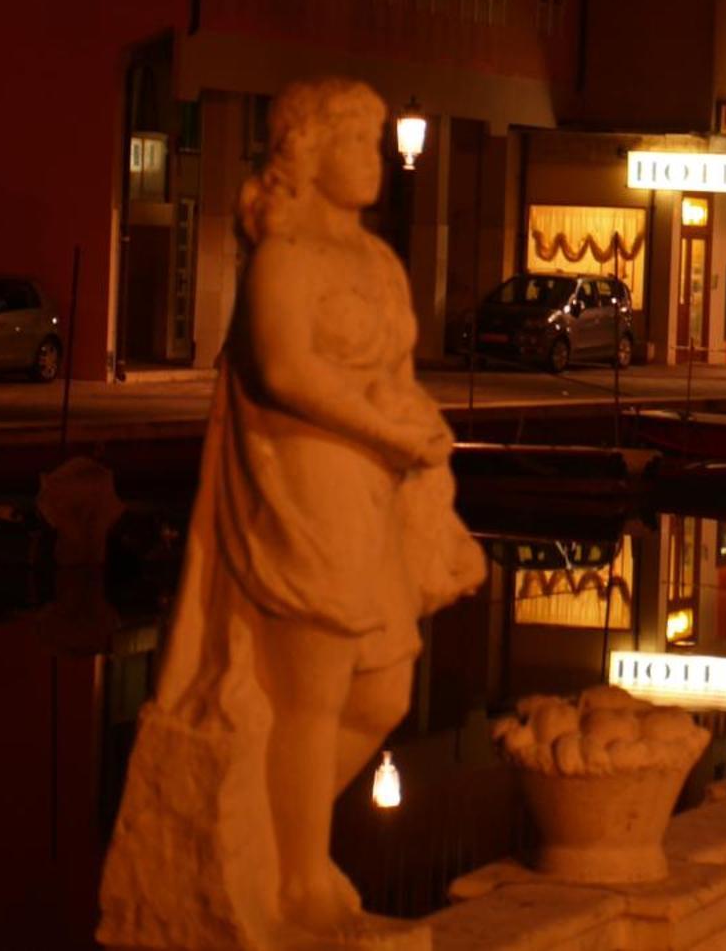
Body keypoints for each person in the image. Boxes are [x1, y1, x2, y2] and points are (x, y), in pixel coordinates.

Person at [100, 78, 486, 945]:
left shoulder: (378, 260)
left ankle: (278, 840)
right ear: (308, 153)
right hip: (303, 483)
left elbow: (390, 366)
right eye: (357, 142)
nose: (375, 161)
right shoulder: (286, 257)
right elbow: (282, 372)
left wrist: (415, 420)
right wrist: (385, 426)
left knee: (382, 690)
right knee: (310, 691)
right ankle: (299, 877)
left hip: (373, 490)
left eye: (377, 142)